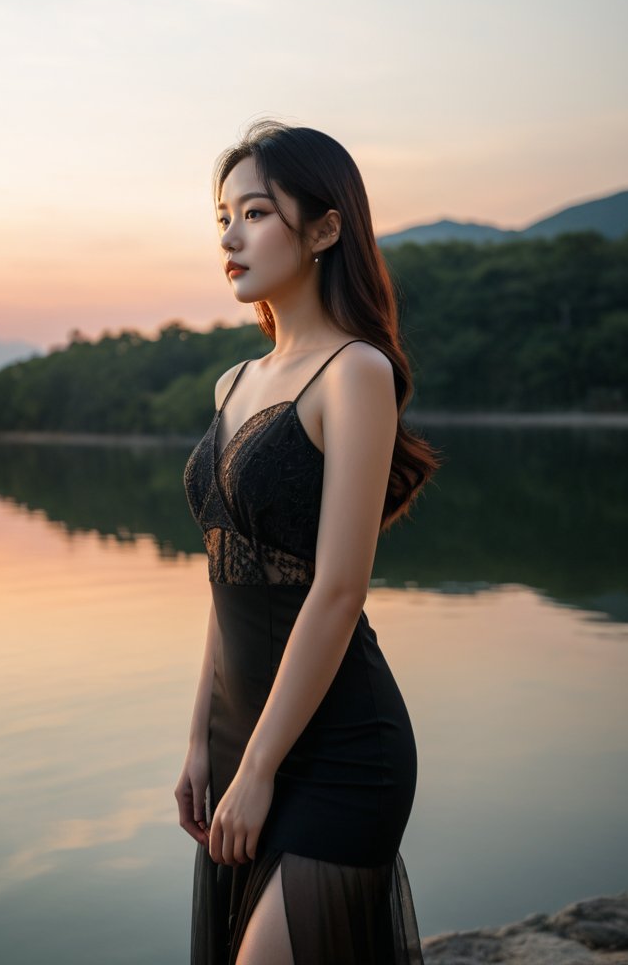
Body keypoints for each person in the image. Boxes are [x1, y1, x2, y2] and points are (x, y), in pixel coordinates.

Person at [176, 118, 442, 964]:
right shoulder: (233, 382)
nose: (230, 235)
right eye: (224, 215)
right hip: (239, 734)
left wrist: (260, 770)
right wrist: (200, 743)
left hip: (337, 750)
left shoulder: (355, 372)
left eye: (255, 212)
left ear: (325, 228)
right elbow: (229, 578)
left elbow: (337, 590)